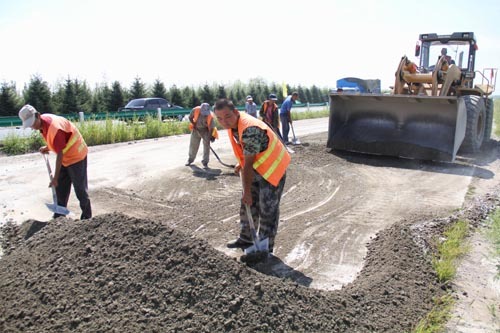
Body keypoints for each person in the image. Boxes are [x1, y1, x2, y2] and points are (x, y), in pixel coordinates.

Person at [214, 99, 291, 254]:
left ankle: (264, 248)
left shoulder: (249, 129)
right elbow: (246, 154)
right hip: (258, 167)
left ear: (236, 112)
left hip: (273, 168)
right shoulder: (234, 125)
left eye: (227, 116)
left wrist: (247, 191)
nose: (224, 122)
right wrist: (240, 163)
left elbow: (248, 165)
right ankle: (247, 237)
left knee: (267, 209)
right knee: (247, 204)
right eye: (220, 119)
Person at [18, 104, 92, 220]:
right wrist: (48, 147)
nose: (32, 127)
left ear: (38, 115)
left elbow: (60, 153)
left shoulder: (54, 127)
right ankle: (59, 216)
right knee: (61, 188)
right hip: (66, 156)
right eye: (29, 125)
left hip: (76, 155)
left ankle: (87, 218)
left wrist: (55, 178)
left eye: (32, 123)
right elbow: (58, 142)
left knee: (80, 189)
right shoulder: (43, 124)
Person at [186, 103, 218, 168]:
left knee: (206, 146)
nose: (204, 115)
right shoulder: (195, 110)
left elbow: (211, 128)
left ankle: (205, 162)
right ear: (201, 109)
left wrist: (209, 137)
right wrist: (193, 123)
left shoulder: (210, 116)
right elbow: (190, 117)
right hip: (196, 129)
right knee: (193, 145)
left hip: (205, 130)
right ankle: (190, 160)